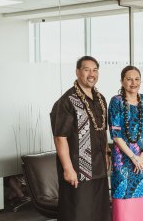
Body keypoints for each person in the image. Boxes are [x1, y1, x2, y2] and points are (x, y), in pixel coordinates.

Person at [50, 56, 111, 221]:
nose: (91, 74)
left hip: (98, 167)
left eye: (95, 70)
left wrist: (106, 153)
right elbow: (60, 137)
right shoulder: (67, 101)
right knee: (78, 213)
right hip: (78, 168)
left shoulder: (101, 99)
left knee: (100, 211)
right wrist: (68, 169)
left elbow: (102, 130)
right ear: (77, 72)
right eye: (86, 69)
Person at [108, 65, 143, 221]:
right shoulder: (116, 102)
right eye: (129, 79)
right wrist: (133, 157)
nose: (133, 83)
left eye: (137, 79)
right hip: (122, 160)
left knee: (142, 197)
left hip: (142, 159)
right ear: (122, 81)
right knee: (122, 198)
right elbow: (116, 135)